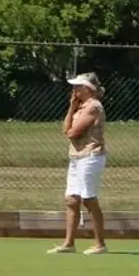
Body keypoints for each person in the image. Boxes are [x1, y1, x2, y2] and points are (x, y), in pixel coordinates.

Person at [50, 71, 107, 255]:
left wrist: (69, 129)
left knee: (89, 199)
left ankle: (100, 244)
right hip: (76, 156)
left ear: (87, 89)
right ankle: (69, 243)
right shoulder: (80, 107)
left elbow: (74, 133)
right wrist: (71, 107)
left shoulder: (93, 107)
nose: (74, 90)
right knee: (72, 200)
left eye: (77, 87)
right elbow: (65, 129)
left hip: (91, 156)